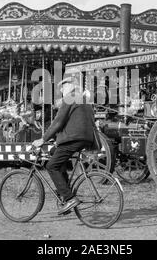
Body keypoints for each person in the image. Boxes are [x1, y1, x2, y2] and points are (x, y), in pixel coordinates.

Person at [32, 77, 95, 215]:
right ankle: (63, 192)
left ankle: (69, 198)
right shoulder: (85, 100)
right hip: (85, 138)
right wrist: (57, 141)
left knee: (51, 165)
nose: (61, 89)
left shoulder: (70, 98)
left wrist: (42, 139)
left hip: (73, 139)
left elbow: (58, 122)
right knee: (55, 153)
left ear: (72, 86)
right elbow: (75, 122)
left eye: (63, 85)